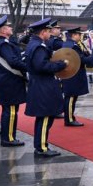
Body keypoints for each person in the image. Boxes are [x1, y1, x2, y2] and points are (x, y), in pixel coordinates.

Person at [23, 18, 68, 156]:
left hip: (39, 84)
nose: (50, 34)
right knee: (45, 117)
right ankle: (42, 148)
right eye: (48, 31)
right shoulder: (39, 47)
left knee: (43, 117)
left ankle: (40, 145)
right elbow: (42, 66)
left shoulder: (34, 44)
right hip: (43, 85)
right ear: (43, 32)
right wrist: (61, 65)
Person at [0, 19, 27, 147]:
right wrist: (28, 66)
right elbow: (12, 62)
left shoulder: (0, 43)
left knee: (10, 110)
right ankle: (8, 138)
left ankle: (8, 136)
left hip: (6, 80)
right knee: (10, 111)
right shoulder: (4, 44)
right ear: (3, 30)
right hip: (9, 81)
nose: (11, 28)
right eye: (8, 26)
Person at [61, 26, 90, 127]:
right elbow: (80, 59)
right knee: (71, 97)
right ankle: (69, 119)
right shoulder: (73, 46)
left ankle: (70, 117)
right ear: (74, 35)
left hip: (70, 73)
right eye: (79, 34)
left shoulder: (67, 44)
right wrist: (92, 59)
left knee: (71, 97)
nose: (80, 36)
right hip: (73, 74)